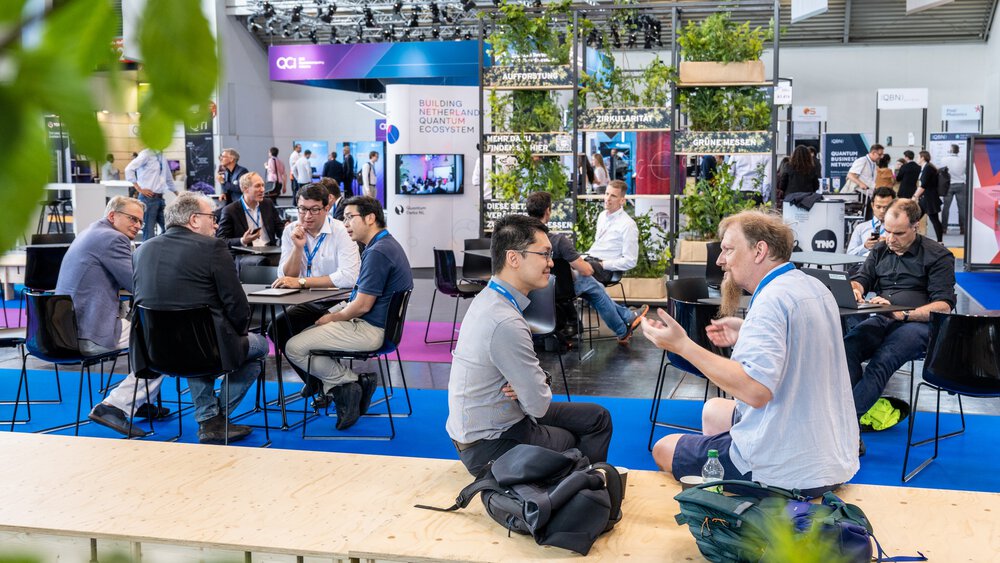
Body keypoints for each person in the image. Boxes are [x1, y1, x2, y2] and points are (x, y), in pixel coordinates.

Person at [645, 210, 859, 495]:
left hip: (786, 472)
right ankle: (728, 485)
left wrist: (683, 345)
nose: (721, 261)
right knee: (714, 410)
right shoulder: (812, 286)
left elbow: (755, 391)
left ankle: (738, 490)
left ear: (759, 250)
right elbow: (800, 345)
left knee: (663, 448)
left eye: (728, 250)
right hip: (832, 459)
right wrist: (746, 330)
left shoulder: (771, 300)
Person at [445, 214, 613, 475]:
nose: (551, 263)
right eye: (544, 255)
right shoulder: (504, 321)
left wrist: (532, 384)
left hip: (494, 424)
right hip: (491, 446)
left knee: (597, 418)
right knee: (574, 441)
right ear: (513, 258)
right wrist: (534, 385)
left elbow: (533, 395)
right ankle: (579, 486)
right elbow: (538, 405)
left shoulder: (489, 299)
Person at [131, 192, 267, 444]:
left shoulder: (142, 250)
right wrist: (238, 333)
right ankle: (212, 418)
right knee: (258, 347)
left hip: (155, 352)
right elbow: (237, 305)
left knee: (195, 341)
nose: (216, 224)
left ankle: (209, 417)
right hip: (207, 348)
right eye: (211, 217)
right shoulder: (213, 248)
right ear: (194, 220)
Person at [284, 196, 413, 431]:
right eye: (343, 218)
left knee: (294, 347)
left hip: (370, 329)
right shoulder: (384, 245)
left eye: (350, 217)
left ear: (371, 218)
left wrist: (332, 317)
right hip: (377, 326)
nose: (345, 224)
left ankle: (348, 383)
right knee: (308, 332)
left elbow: (362, 305)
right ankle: (346, 387)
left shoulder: (378, 252)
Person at [54, 197, 167, 438]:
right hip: (88, 332)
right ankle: (115, 405)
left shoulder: (91, 232)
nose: (138, 225)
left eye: (140, 220)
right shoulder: (114, 239)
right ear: (113, 216)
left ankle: (140, 399)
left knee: (147, 335)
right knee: (163, 345)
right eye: (132, 219)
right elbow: (138, 285)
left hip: (65, 330)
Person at [844, 198, 955, 421]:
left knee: (883, 359)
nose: (891, 239)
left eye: (899, 234)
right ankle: (852, 421)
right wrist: (855, 289)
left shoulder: (938, 256)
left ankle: (846, 425)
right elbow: (862, 278)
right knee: (847, 348)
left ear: (915, 226)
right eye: (888, 232)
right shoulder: (880, 250)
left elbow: (943, 306)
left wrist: (904, 314)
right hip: (883, 319)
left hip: (918, 325)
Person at [267, 183, 360, 392]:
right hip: (307, 302)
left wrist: (303, 282)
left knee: (310, 333)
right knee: (277, 329)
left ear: (326, 208)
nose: (307, 215)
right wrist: (298, 248)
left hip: (341, 302)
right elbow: (285, 277)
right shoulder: (291, 230)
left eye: (314, 209)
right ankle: (316, 382)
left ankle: (335, 383)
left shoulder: (341, 231)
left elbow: (349, 277)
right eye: (302, 209)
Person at [576, 180, 648, 345]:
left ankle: (571, 324)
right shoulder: (602, 216)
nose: (607, 198)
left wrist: (602, 264)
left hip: (605, 267)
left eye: (613, 196)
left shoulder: (628, 225)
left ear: (622, 200)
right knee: (578, 277)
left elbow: (630, 261)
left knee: (576, 275)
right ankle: (626, 316)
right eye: (607, 194)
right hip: (591, 259)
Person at [525, 191, 593, 336]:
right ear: (548, 211)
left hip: (528, 292)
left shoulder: (519, 239)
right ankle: (622, 324)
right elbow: (586, 270)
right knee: (591, 282)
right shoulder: (558, 241)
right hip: (560, 291)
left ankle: (573, 320)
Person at [216, 172, 285, 269]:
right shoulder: (230, 210)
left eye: (263, 185)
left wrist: (289, 232)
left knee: (290, 258)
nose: (262, 190)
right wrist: (242, 240)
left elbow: (280, 229)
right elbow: (221, 240)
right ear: (245, 189)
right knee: (262, 261)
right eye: (257, 186)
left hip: (270, 250)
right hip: (246, 253)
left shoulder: (267, 204)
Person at [124, 148, 176, 240]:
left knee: (170, 228)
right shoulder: (146, 154)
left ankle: (159, 249)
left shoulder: (162, 157)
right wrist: (139, 188)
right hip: (147, 199)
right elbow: (129, 169)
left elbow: (168, 178)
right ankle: (147, 253)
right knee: (149, 233)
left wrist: (177, 194)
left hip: (160, 199)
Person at [846, 187, 897, 257]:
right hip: (862, 265)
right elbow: (849, 255)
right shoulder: (860, 228)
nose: (882, 211)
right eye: (878, 207)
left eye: (885, 207)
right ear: (872, 205)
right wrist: (864, 247)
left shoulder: (898, 228)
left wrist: (889, 245)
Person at [915, 150, 944, 243]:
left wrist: (914, 196)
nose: (917, 159)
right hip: (925, 199)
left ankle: (940, 241)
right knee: (915, 218)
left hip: (929, 199)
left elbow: (924, 185)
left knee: (934, 220)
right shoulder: (926, 167)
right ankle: (913, 238)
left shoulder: (928, 168)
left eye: (918, 157)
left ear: (922, 158)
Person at [939, 143, 968, 235]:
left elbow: (942, 172)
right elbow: (966, 172)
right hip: (960, 184)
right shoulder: (963, 160)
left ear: (950, 150)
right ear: (958, 151)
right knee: (962, 208)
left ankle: (944, 229)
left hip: (948, 185)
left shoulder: (944, 160)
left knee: (946, 208)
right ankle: (962, 229)